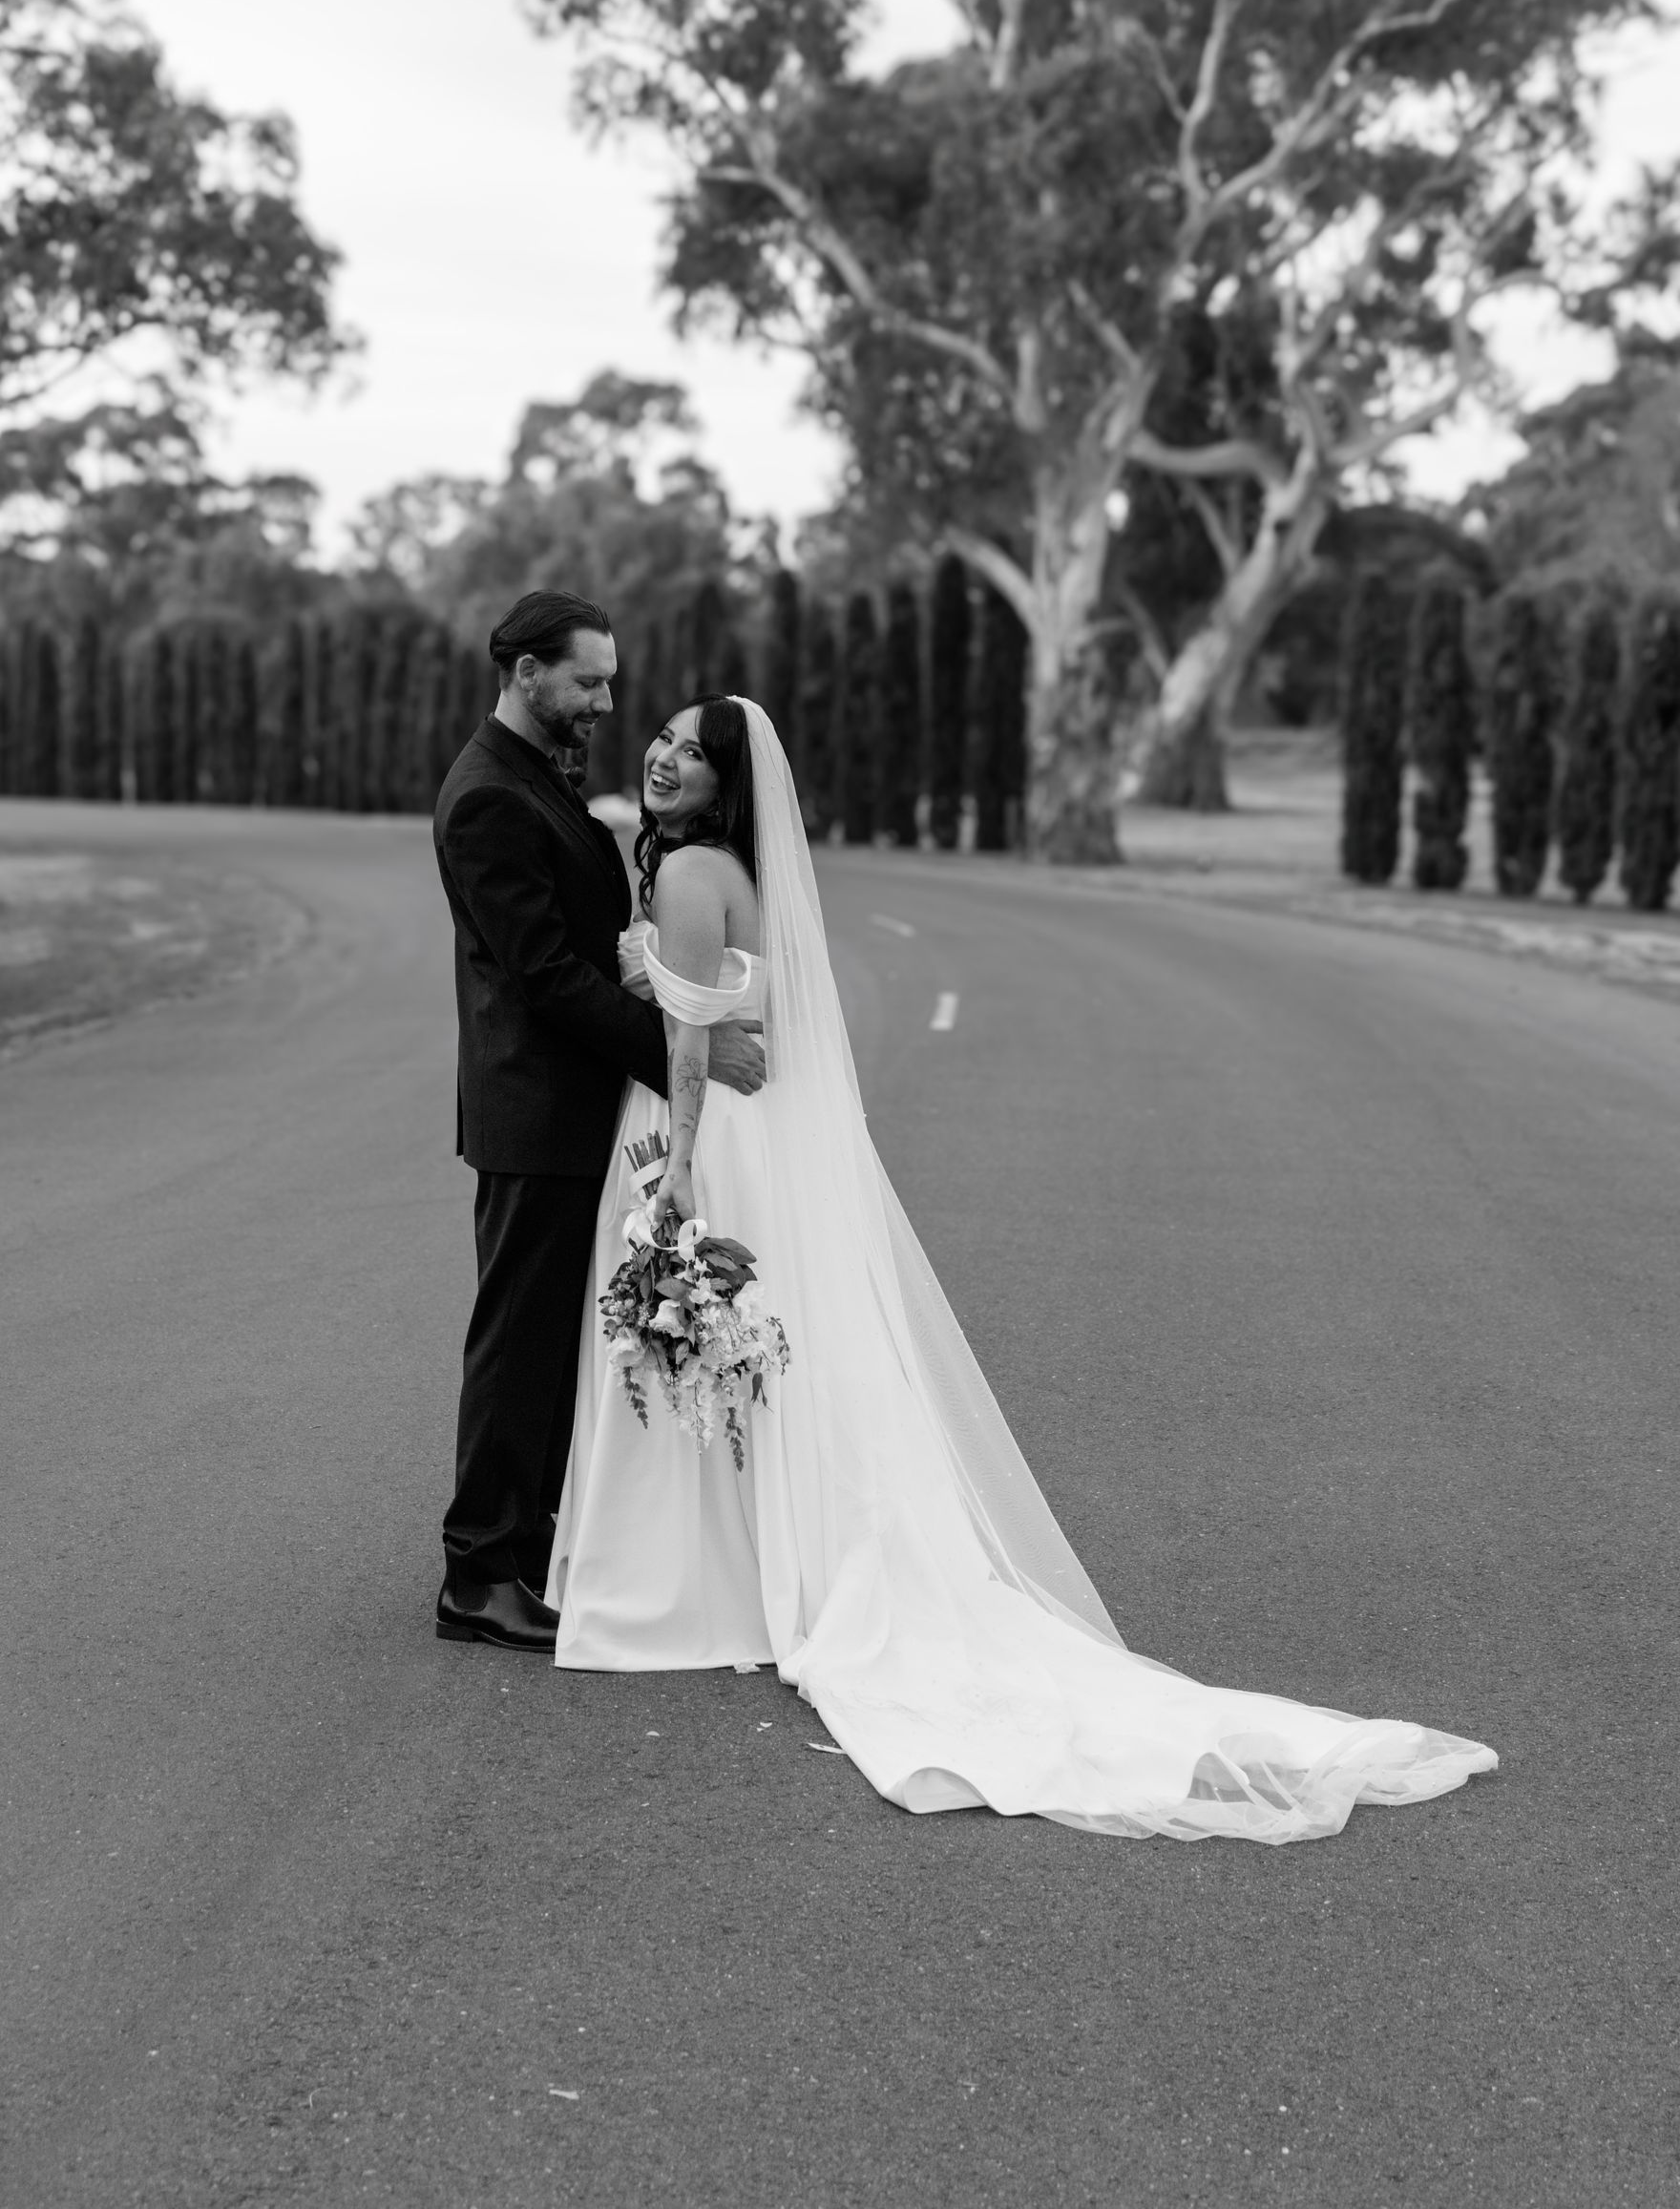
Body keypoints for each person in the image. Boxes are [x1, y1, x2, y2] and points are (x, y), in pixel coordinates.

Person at [547, 694, 1500, 1841]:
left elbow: (691, 1047)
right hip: (739, 1134)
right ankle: (734, 1573)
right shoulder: (716, 868)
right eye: (664, 738)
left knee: (708, 1344)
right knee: (747, 1356)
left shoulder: (697, 874)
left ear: (728, 783)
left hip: (702, 1145)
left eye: (694, 753)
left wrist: (682, 1173)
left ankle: (687, 1586)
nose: (664, 757)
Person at [430, 594, 763, 1651]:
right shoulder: (489, 796)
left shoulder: (539, 777)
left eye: (611, 680)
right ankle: (478, 1572)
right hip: (535, 1107)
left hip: (575, 1107)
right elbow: (543, 975)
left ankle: (529, 1544)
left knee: (549, 1342)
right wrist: (680, 1047)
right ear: (528, 674)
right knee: (516, 1341)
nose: (608, 700)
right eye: (587, 681)